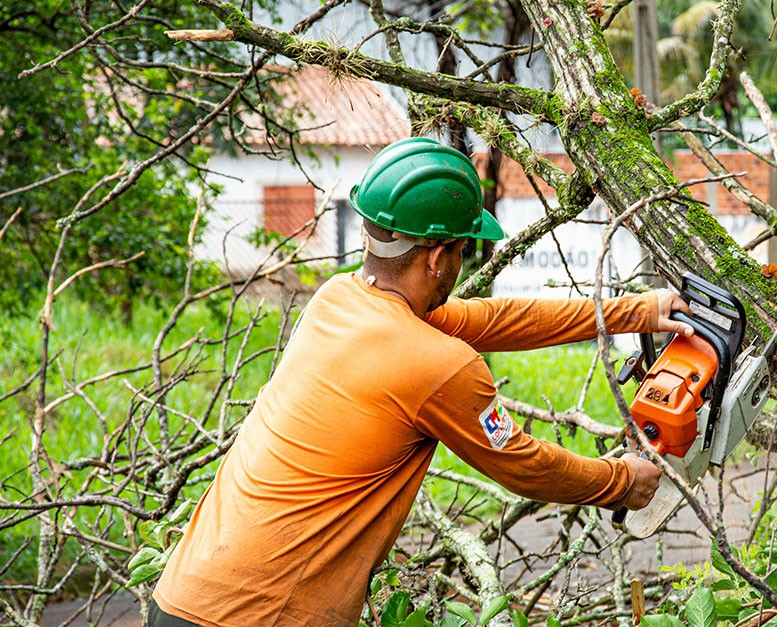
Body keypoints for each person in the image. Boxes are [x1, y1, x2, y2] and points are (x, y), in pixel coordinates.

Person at [150, 137, 691, 626]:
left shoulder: (337, 299)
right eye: (460, 250)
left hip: (179, 597)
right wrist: (624, 481)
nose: (460, 264)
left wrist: (638, 311)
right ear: (436, 258)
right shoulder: (435, 366)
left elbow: (496, 318)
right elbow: (523, 465)